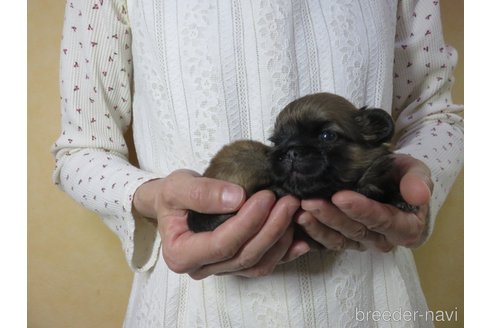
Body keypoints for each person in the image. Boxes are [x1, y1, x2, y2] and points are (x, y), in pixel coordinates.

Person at [52, 0, 463, 327]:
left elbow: (435, 115)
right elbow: (80, 151)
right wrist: (152, 197)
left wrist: (418, 185)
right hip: (196, 307)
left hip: (372, 300)